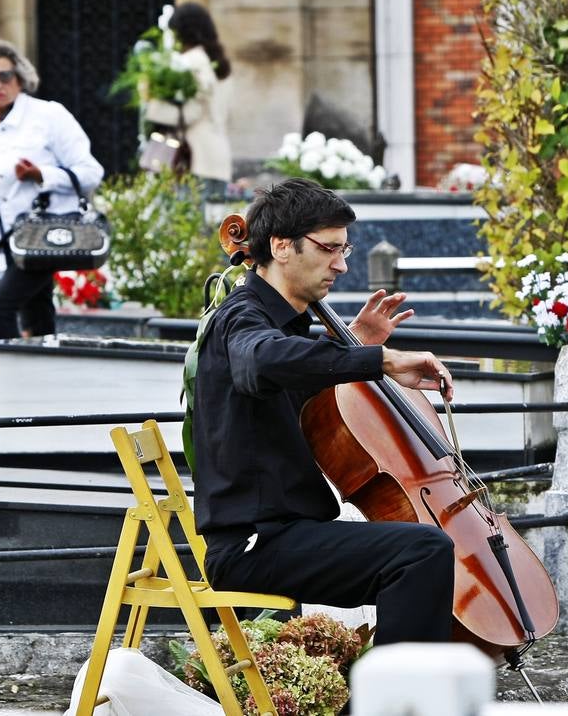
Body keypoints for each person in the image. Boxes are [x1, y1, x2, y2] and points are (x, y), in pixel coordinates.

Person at [193, 178, 458, 643]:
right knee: (421, 553)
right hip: (254, 545)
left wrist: (351, 343)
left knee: (420, 554)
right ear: (280, 246)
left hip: (289, 532)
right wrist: (384, 360)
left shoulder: (287, 325)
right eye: (329, 248)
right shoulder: (242, 316)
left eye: (345, 249)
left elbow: (292, 370)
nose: (341, 264)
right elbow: (262, 360)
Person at [0, 38, 103, 340]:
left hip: (39, 240)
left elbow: (90, 172)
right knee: (37, 314)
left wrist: (42, 175)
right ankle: (43, 381)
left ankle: (8, 382)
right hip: (1, 247)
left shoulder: (47, 116)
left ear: (20, 79)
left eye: (5, 76)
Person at [143, 2, 233, 190]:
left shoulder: (190, 62)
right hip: (218, 156)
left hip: (193, 157)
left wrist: (152, 103)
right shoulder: (219, 63)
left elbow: (191, 112)